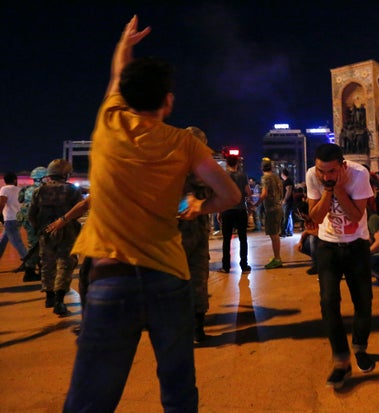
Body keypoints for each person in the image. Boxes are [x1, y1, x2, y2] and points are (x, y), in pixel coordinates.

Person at [63, 16, 241, 412]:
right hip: (168, 278)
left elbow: (117, 76)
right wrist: (200, 205)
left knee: (90, 398)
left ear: (124, 96)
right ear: (169, 101)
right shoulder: (184, 144)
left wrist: (124, 44)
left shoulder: (109, 123)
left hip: (111, 277)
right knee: (178, 392)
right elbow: (230, 194)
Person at [306, 143, 375, 389]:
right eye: (321, 171)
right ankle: (341, 360)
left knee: (363, 301)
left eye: (332, 172)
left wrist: (340, 190)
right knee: (328, 301)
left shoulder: (359, 175)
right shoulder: (313, 176)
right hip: (328, 245)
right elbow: (315, 217)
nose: (326, 176)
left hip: (357, 244)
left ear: (342, 166)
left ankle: (359, 346)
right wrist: (328, 190)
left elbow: (357, 216)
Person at [28, 160, 83, 316]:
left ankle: (49, 297)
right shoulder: (71, 190)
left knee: (47, 264)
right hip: (67, 232)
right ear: (65, 174)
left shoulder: (39, 191)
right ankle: (59, 301)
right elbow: (79, 210)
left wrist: (40, 229)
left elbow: (32, 214)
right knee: (65, 264)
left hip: (45, 233)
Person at [180, 126, 216, 342]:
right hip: (198, 229)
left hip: (171, 232)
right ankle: (197, 330)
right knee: (198, 277)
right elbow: (221, 193)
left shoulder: (168, 165)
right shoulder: (204, 169)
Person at [219, 154, 251, 273]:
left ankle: (226, 266)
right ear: (237, 163)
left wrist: (219, 211)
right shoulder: (242, 176)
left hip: (227, 210)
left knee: (226, 240)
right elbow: (248, 192)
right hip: (240, 210)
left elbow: (220, 194)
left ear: (227, 163)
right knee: (243, 239)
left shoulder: (223, 176)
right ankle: (244, 265)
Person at [16, 166, 47, 281]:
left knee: (34, 244)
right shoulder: (42, 190)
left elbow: (20, 200)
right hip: (36, 221)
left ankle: (33, 269)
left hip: (26, 220)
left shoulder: (26, 189)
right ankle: (29, 272)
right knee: (35, 246)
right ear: (41, 178)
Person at [253, 159, 284, 269]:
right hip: (278, 207)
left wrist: (256, 204)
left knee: (274, 235)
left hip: (271, 209)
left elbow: (264, 193)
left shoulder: (265, 178)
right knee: (275, 234)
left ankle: (277, 259)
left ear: (262, 168)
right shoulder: (276, 177)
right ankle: (277, 257)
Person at [0, 172, 28, 267]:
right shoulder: (19, 189)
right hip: (18, 218)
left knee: (17, 242)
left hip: (9, 219)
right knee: (3, 240)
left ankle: (28, 262)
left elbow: (2, 202)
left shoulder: (4, 189)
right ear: (15, 180)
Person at [294, 200, 318, 275]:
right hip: (318, 241)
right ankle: (319, 260)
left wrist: (307, 232)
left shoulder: (316, 217)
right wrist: (300, 242)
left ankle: (316, 264)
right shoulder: (307, 221)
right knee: (302, 246)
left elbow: (319, 232)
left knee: (312, 239)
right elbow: (306, 232)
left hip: (323, 240)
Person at [281, 168, 295, 237]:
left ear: (283, 174)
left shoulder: (287, 181)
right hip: (289, 201)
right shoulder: (289, 181)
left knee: (286, 216)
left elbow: (288, 191)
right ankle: (289, 232)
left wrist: (285, 200)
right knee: (288, 216)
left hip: (288, 202)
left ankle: (284, 232)